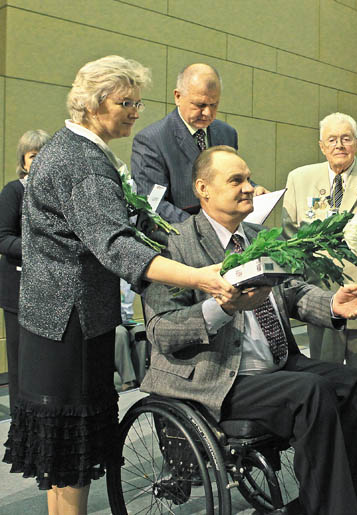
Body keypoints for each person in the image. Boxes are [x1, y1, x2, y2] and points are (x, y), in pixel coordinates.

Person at [2, 55, 236, 515]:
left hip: (52, 320)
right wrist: (199, 276)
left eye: (137, 101)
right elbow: (118, 246)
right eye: (125, 102)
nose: (134, 111)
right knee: (72, 455)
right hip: (71, 324)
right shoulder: (84, 164)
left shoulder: (70, 148)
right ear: (91, 103)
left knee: (64, 458)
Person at [140, 145, 357, 515]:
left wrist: (333, 304)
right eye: (236, 180)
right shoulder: (174, 246)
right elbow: (161, 331)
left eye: (249, 179)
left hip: (276, 366)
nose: (250, 188)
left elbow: (294, 291)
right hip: (220, 377)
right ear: (203, 189)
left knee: (352, 383)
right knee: (312, 392)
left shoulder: (256, 237)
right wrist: (220, 308)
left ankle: (356, 507)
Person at [282, 112, 357, 413]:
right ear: (321, 145)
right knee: (324, 388)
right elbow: (291, 237)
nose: (339, 145)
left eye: (345, 139)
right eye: (332, 139)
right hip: (322, 301)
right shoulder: (299, 179)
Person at [131, 63, 267, 224]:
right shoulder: (151, 140)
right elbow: (153, 203)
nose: (208, 113)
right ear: (178, 97)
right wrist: (204, 229)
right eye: (200, 105)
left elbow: (230, 176)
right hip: (181, 236)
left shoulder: (226, 133)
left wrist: (252, 188)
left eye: (214, 105)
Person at [0, 129, 51, 415]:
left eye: (45, 154)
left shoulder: (58, 193)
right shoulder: (13, 191)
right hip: (17, 290)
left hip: (49, 289)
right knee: (20, 361)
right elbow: (2, 238)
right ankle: (21, 426)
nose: (40, 160)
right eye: (34, 155)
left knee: (43, 363)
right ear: (23, 160)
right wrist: (39, 246)